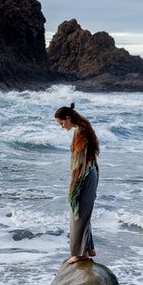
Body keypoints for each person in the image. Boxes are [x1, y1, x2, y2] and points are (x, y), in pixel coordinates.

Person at [54, 102, 100, 264]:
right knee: (83, 212)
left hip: (85, 175)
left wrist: (74, 185)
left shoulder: (80, 132)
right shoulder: (84, 127)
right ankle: (89, 248)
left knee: (78, 213)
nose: (62, 127)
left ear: (68, 119)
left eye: (61, 123)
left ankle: (80, 254)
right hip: (91, 172)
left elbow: (80, 162)